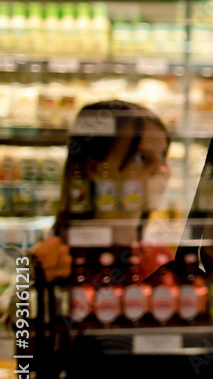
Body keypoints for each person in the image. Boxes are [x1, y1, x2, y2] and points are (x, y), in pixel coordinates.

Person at [31, 100, 172, 282]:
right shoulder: (53, 260)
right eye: (141, 158)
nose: (160, 169)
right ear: (93, 168)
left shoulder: (159, 256)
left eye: (163, 156)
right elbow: (20, 308)